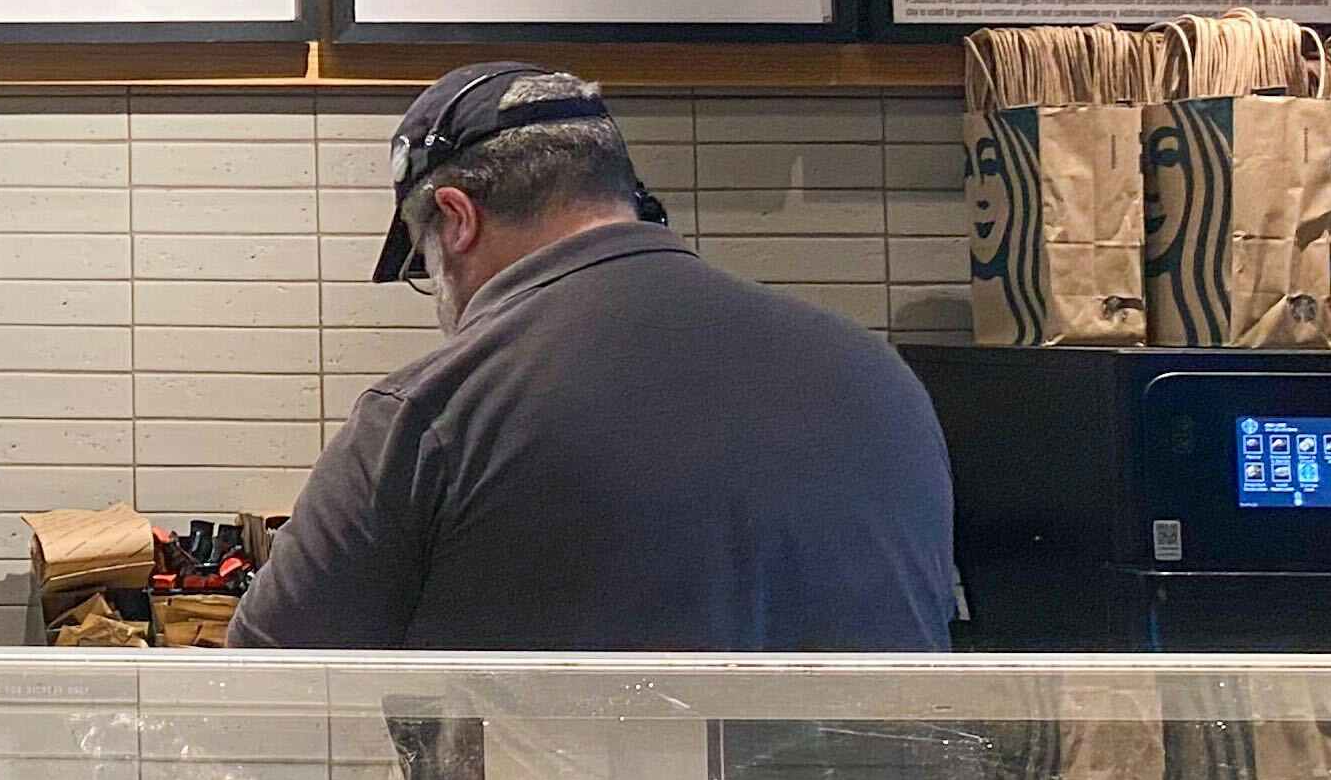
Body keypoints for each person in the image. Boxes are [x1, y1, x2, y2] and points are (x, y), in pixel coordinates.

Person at [228, 61, 957, 652]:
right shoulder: (876, 374)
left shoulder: (436, 411)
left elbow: (273, 673)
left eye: (422, 263)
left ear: (455, 219)